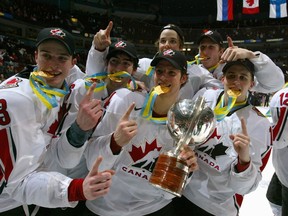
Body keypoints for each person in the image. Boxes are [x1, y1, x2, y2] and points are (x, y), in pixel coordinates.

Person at [0, 27, 114, 215]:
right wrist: (76, 189)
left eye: (61, 58)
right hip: (9, 203)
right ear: (35, 56)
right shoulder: (18, 103)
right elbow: (19, 183)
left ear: (72, 63)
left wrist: (98, 49)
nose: (54, 65)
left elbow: (91, 83)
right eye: (47, 56)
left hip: (37, 193)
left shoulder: (63, 81)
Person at [83, 49, 198, 216]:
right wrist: (114, 142)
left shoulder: (185, 123)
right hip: (106, 206)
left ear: (184, 78)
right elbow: (92, 162)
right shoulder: (124, 101)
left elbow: (167, 192)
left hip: (153, 208)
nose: (164, 77)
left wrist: (185, 171)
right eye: (159, 71)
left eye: (171, 72)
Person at [173, 58, 272, 215]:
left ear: (251, 84)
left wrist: (244, 160)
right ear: (222, 79)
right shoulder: (206, 96)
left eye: (243, 77)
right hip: (180, 189)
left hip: (215, 207)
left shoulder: (260, 125)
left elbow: (244, 188)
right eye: (231, 76)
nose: (236, 82)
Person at [85, 21, 223, 100]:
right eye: (163, 41)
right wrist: (99, 49)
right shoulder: (144, 66)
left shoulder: (197, 72)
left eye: (173, 41)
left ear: (181, 47)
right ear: (158, 45)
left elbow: (224, 89)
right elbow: (105, 73)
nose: (167, 44)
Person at [197, 30, 284, 94]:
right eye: (202, 47)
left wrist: (251, 55)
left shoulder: (235, 71)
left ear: (221, 51)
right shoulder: (193, 72)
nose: (205, 52)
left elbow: (275, 85)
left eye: (211, 47)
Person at [266, 63, 288, 216]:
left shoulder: (283, 97)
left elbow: (278, 140)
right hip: (282, 170)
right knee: (274, 198)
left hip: (285, 171)